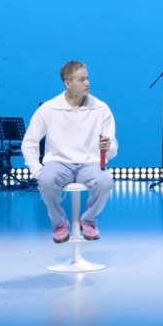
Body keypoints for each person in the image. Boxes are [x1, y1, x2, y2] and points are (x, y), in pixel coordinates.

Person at [21, 61, 116, 243]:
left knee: (105, 182)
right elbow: (29, 142)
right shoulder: (48, 108)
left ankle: (88, 220)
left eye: (87, 78)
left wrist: (108, 147)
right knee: (45, 180)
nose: (87, 83)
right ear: (67, 83)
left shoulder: (101, 108)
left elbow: (111, 148)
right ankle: (59, 223)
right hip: (58, 162)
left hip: (90, 162)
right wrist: (37, 170)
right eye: (81, 79)